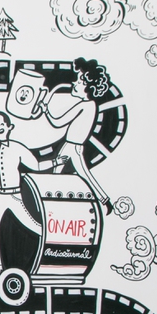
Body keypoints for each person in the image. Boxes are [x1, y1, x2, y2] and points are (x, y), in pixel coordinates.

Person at [0, 111, 67, 273]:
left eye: (1, 124)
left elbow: (36, 166)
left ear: (9, 127)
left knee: (33, 225)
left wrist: (55, 162)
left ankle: (54, 248)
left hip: (14, 195)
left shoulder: (17, 148)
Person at [41, 57, 113, 215]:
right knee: (63, 174)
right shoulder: (91, 105)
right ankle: (103, 201)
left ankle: (55, 205)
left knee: (71, 175)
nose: (74, 83)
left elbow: (58, 122)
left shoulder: (85, 105)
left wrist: (45, 110)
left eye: (79, 81)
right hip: (72, 146)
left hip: (73, 146)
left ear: (88, 86)